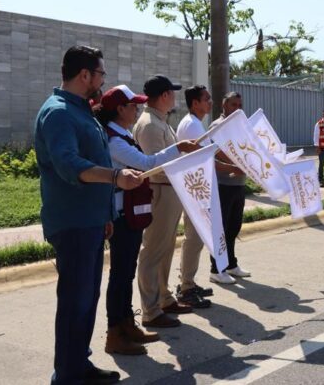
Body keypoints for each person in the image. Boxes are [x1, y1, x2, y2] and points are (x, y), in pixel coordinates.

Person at [34, 45, 143, 384]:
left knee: (86, 300)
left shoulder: (81, 111)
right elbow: (69, 165)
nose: (101, 80)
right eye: (100, 74)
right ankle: (67, 375)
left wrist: (104, 214)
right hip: (73, 224)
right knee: (75, 302)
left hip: (91, 221)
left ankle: (78, 366)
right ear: (85, 75)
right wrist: (114, 177)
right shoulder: (59, 113)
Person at [95, 85, 199, 355]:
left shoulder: (123, 134)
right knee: (120, 275)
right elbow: (146, 162)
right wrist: (179, 148)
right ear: (119, 109)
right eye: (132, 106)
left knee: (126, 272)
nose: (137, 109)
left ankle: (126, 324)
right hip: (121, 214)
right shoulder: (114, 140)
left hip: (131, 211)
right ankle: (116, 331)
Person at [134, 74, 193, 329]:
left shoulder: (160, 122)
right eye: (172, 93)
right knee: (153, 251)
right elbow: (153, 166)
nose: (175, 97)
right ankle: (150, 309)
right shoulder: (149, 125)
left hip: (170, 190)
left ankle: (164, 297)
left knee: (166, 248)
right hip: (160, 191)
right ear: (165, 95)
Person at [176, 85, 233, 297]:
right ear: (195, 103)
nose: (210, 102)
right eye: (206, 99)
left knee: (195, 237)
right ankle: (186, 286)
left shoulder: (196, 124)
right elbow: (208, 158)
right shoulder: (192, 126)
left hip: (198, 186)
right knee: (194, 238)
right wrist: (235, 168)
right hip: (195, 188)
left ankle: (187, 280)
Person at [209, 92, 251, 284]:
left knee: (234, 227)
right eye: (233, 105)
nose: (238, 108)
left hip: (238, 184)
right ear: (224, 106)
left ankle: (231, 264)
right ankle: (217, 269)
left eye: (240, 105)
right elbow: (220, 152)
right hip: (223, 184)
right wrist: (242, 164)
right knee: (222, 229)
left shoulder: (241, 127)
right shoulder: (218, 126)